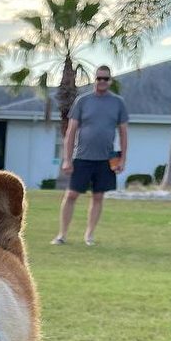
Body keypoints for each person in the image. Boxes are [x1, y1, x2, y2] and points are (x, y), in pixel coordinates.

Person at [51, 65, 128, 247]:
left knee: (98, 196)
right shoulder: (83, 101)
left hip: (106, 158)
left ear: (110, 81)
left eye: (105, 79)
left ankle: (89, 235)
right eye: (99, 78)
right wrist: (67, 159)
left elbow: (124, 133)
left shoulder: (118, 103)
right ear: (95, 79)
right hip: (82, 158)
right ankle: (62, 235)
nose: (102, 82)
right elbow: (71, 131)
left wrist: (122, 159)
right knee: (71, 195)